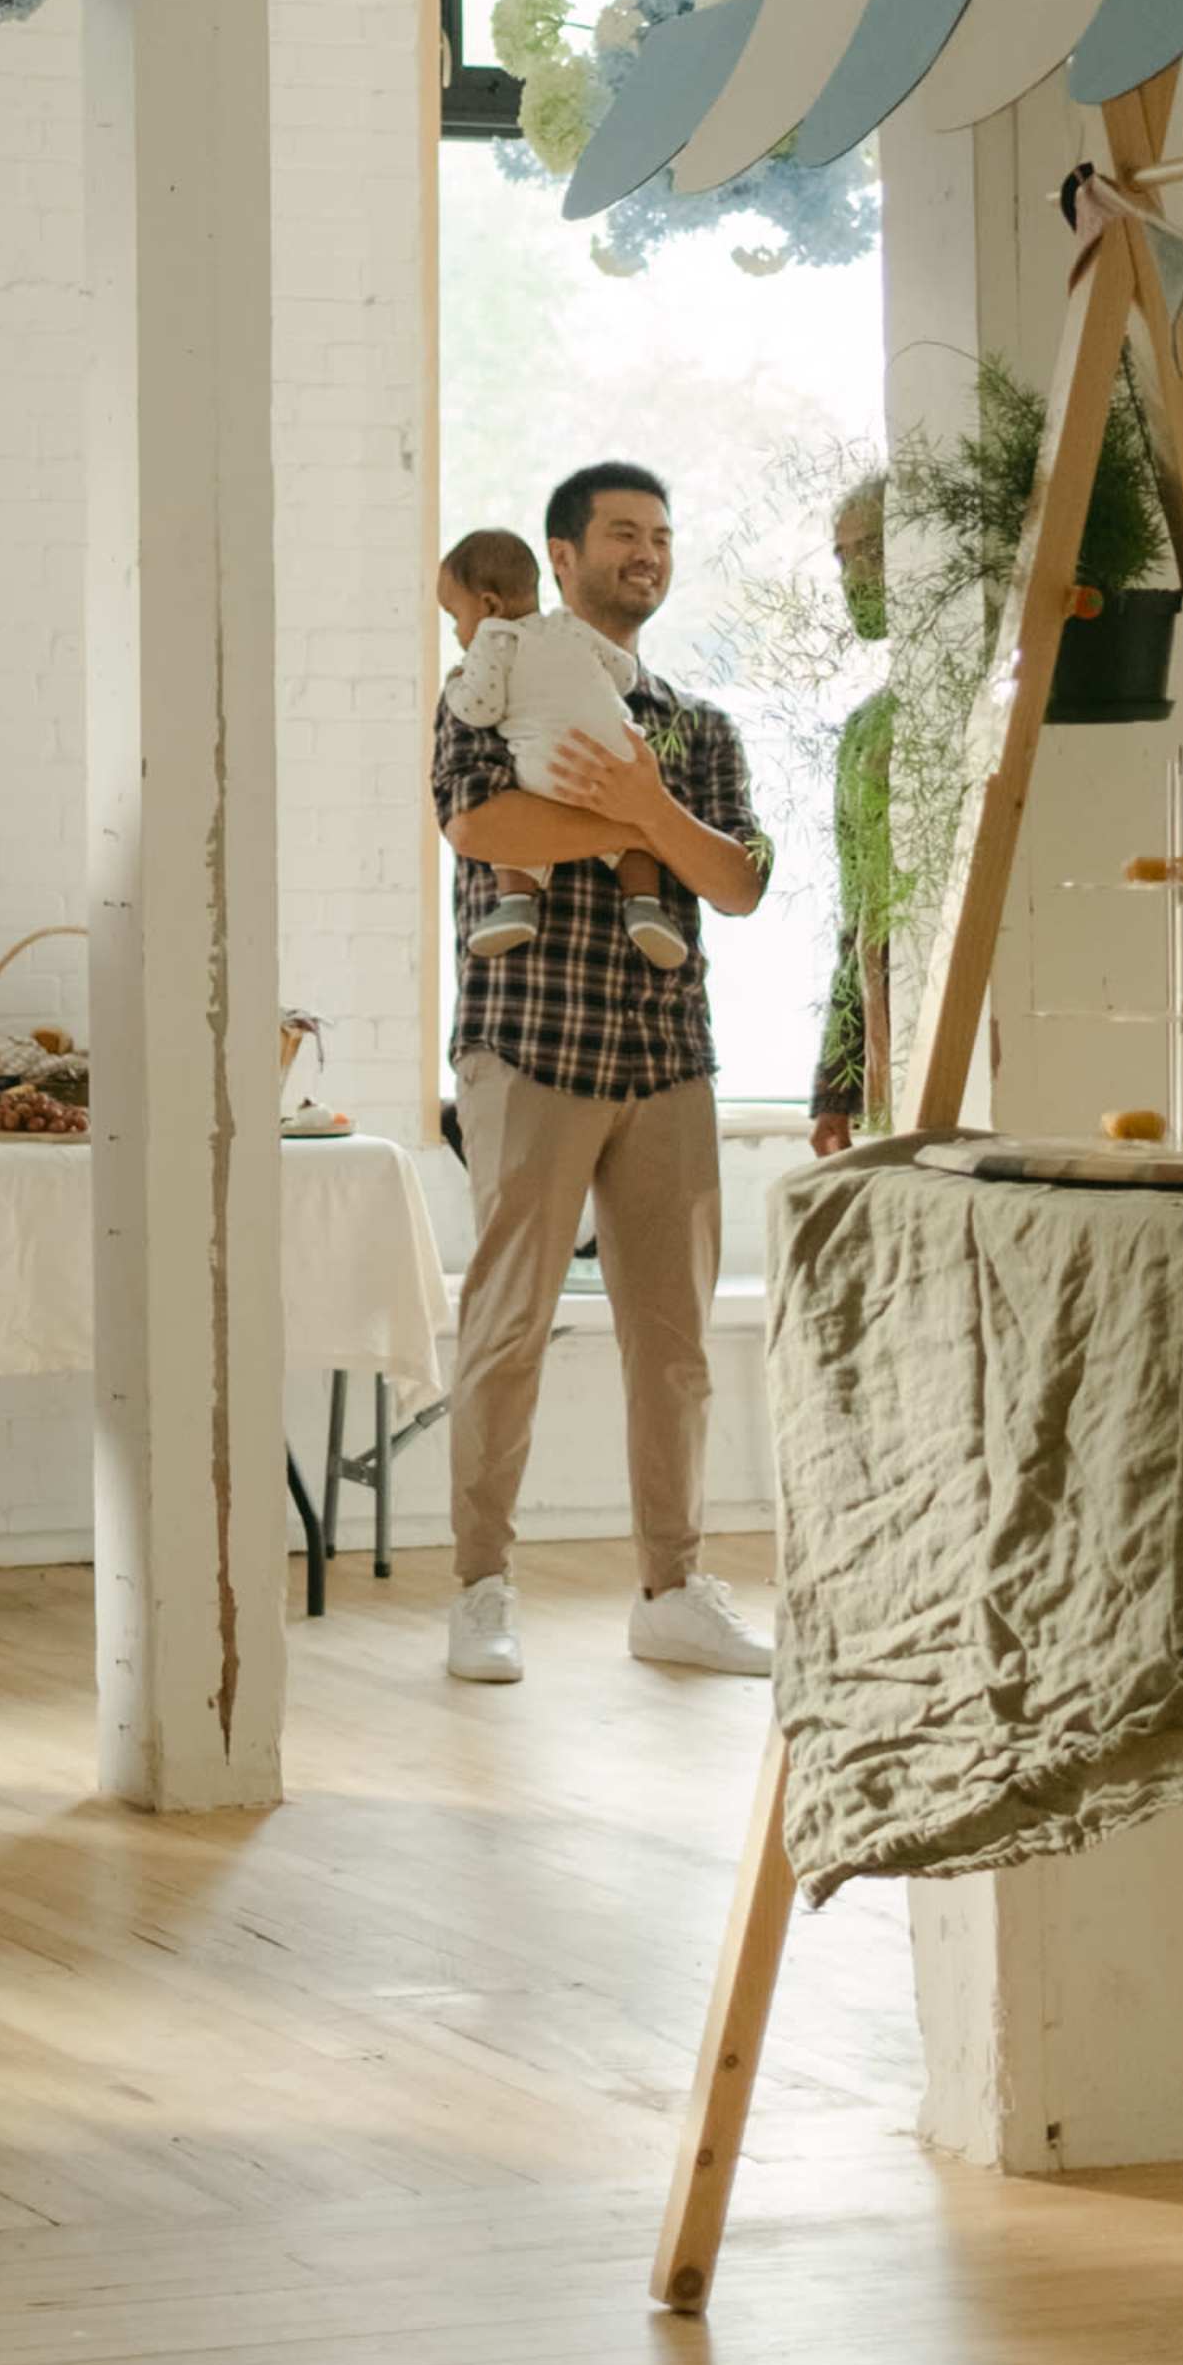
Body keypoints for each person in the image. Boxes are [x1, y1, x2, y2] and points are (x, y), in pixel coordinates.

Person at [429, 457, 775, 1691]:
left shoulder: (697, 722)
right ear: (560, 556)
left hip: (669, 1059)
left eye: (663, 535)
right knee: (506, 1327)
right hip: (532, 1048)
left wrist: (646, 800)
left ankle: (672, 1591)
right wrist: (643, 826)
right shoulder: (488, 684)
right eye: (623, 533)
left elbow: (737, 881)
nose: (648, 552)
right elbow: (483, 827)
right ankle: (481, 1589)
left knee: (673, 1344)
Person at [436, 528, 682, 966]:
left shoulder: (494, 638)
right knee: (635, 842)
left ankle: (517, 901)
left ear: (490, 606)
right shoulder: (569, 625)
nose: (457, 633)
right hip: (621, 758)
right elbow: (625, 674)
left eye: (455, 617)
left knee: (515, 827)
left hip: (554, 769)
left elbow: (480, 708)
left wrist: (456, 682)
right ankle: (645, 905)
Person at [811, 478, 894, 1154]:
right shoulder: (866, 729)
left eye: (871, 550)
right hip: (887, 1062)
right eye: (842, 558)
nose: (854, 577)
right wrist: (836, 1088)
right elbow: (858, 920)